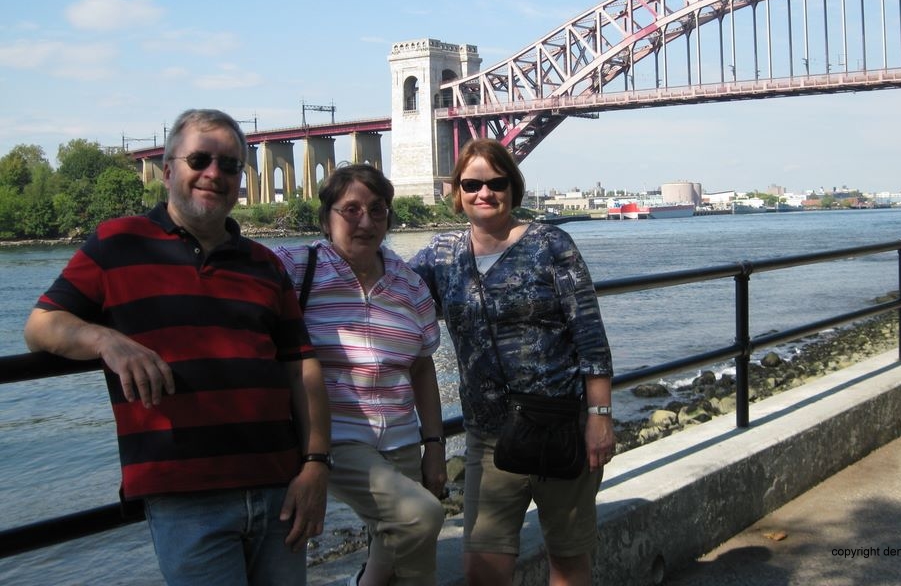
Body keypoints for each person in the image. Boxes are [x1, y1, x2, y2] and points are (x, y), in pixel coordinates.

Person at [23, 108, 332, 586]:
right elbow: (41, 325)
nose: (214, 174)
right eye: (200, 160)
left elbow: (301, 369)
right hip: (187, 501)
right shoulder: (116, 244)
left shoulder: (265, 264)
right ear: (168, 171)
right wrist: (106, 340)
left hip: (280, 490)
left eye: (229, 165)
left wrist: (315, 466)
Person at [408, 138, 615, 586]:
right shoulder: (441, 255)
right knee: (482, 567)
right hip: (489, 436)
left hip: (561, 425)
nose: (485, 193)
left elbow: (590, 336)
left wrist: (599, 416)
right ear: (458, 192)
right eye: (472, 184)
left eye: (496, 182)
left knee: (567, 559)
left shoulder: (550, 243)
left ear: (512, 188)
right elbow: (389, 292)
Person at [274, 164, 447, 586]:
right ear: (326, 217)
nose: (366, 221)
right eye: (350, 210)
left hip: (403, 437)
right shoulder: (296, 268)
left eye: (377, 210)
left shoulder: (410, 285)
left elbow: (422, 368)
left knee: (404, 553)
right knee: (421, 516)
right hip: (336, 437)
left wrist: (435, 446)